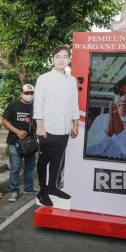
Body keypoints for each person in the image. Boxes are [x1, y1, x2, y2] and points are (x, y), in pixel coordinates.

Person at [33, 45, 79, 206]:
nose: (61, 59)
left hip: (65, 127)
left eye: (65, 57)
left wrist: (75, 123)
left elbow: (74, 102)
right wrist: (39, 125)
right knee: (44, 158)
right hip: (47, 127)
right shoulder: (44, 78)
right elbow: (38, 103)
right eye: (58, 56)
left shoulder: (71, 80)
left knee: (57, 158)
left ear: (69, 59)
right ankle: (42, 191)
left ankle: (53, 186)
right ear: (52, 59)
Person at [2, 84, 37, 202]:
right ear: (21, 93)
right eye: (27, 93)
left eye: (31, 93)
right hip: (14, 142)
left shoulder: (36, 106)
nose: (29, 95)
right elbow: (5, 121)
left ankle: (28, 188)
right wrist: (17, 131)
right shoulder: (13, 105)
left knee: (29, 167)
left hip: (31, 143)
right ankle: (14, 191)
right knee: (15, 168)